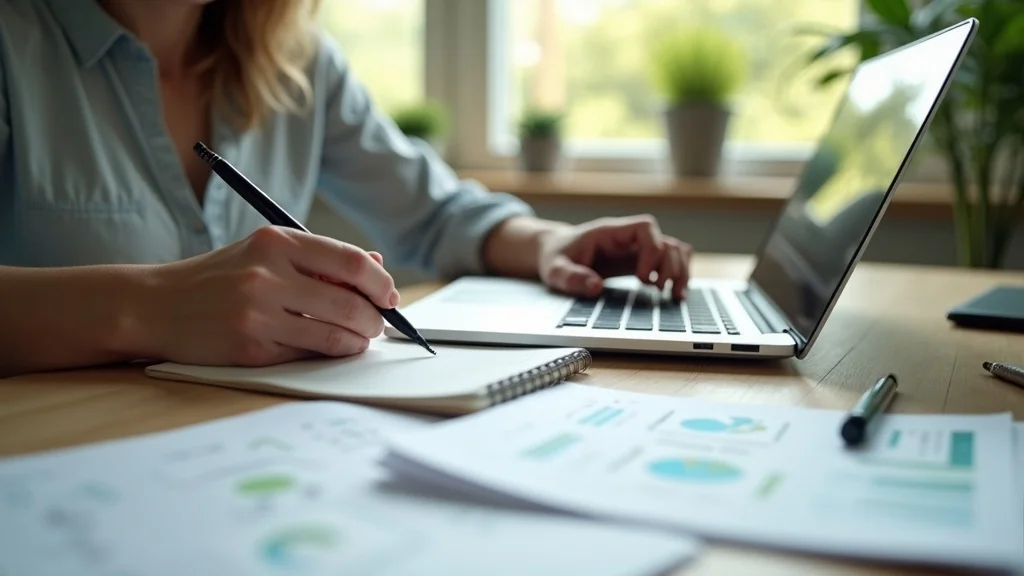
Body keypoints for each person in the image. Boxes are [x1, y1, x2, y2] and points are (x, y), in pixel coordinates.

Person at [0, 0, 693, 377]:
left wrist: (553, 241)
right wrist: (151, 306)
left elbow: (436, 215)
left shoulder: (298, 61)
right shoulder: (14, 40)